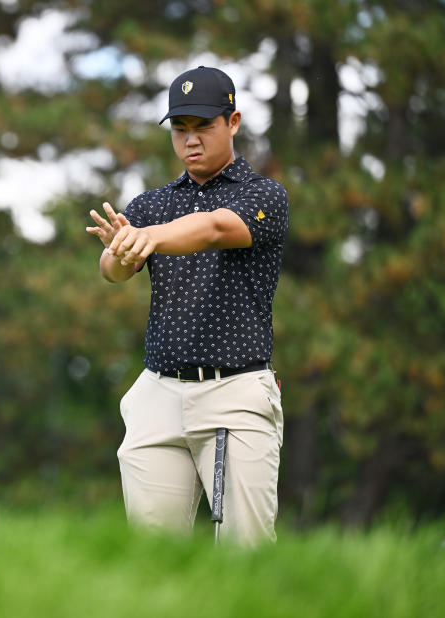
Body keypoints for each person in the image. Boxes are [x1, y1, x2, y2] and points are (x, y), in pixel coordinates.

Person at [86, 66, 289, 544]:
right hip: (158, 393)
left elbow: (215, 228)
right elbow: (112, 271)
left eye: (203, 128)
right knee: (153, 558)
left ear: (233, 122)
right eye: (180, 130)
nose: (190, 141)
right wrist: (119, 252)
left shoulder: (263, 196)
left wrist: (148, 238)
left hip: (234, 392)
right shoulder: (152, 203)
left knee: (247, 553)